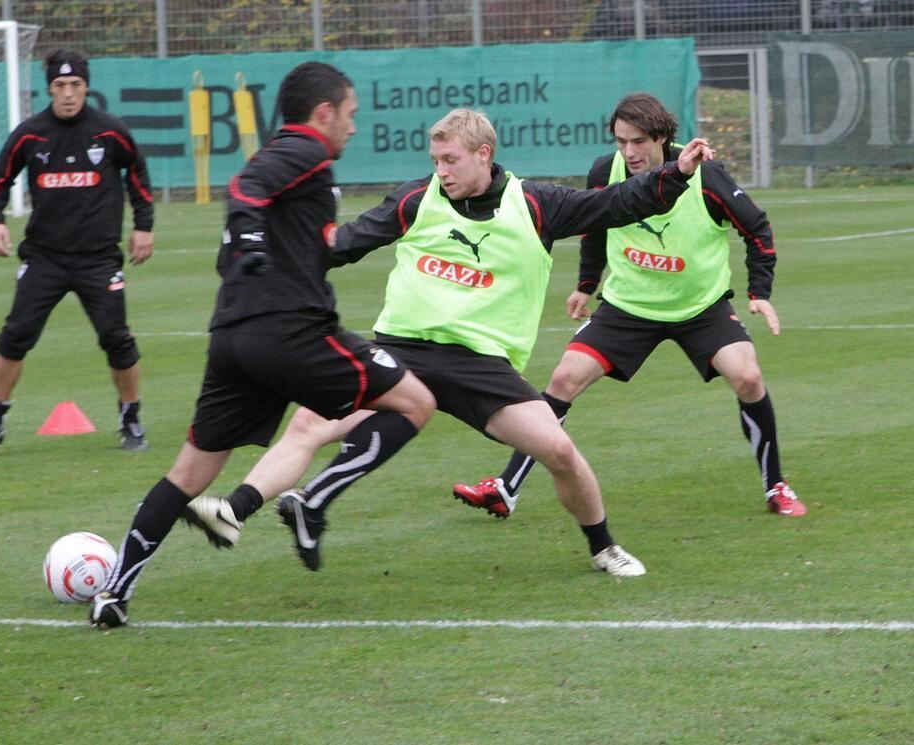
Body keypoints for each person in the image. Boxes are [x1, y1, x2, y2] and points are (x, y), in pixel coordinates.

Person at [183, 108, 714, 582]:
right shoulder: (416, 198)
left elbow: (618, 204)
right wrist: (268, 263)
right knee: (309, 424)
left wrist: (677, 174)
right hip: (403, 351)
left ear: (484, 155)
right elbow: (343, 245)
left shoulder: (535, 204)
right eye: (436, 159)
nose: (441, 170)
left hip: (481, 364)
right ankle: (235, 509)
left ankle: (604, 548)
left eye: (451, 159)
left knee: (560, 452)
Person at [89, 61, 435, 629]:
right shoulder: (302, 151)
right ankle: (314, 501)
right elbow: (244, 190)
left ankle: (114, 592)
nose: (353, 128)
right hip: (292, 333)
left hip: (234, 337)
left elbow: (316, 243)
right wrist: (250, 239)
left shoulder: (296, 168)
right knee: (417, 401)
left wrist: (388, 217)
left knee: (188, 476)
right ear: (323, 113)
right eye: (349, 116)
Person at [453, 93, 806, 519]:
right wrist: (586, 284)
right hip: (627, 308)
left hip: (700, 307)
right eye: (621, 141)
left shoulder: (707, 176)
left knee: (748, 377)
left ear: (661, 137)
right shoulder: (606, 171)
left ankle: (776, 486)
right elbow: (593, 224)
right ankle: (505, 488)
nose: (629, 152)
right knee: (564, 379)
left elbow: (758, 228)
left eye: (638, 141)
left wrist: (759, 293)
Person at [0, 49, 154, 453]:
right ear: (49, 88)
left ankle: (130, 419)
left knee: (117, 339)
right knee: (15, 336)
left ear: (86, 87)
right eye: (60, 86)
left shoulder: (110, 131)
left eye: (76, 85)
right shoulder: (31, 134)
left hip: (99, 259)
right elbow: (0, 177)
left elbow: (137, 172)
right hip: (45, 257)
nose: (68, 93)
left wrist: (143, 226)